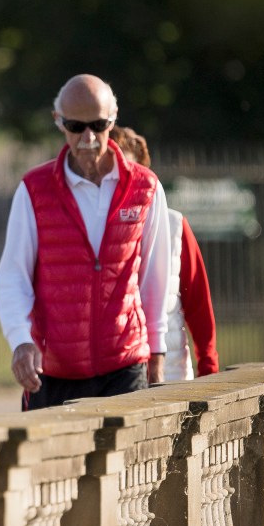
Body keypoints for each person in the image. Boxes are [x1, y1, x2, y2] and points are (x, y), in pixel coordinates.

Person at [0, 74, 172, 410]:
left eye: (98, 124)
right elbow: (13, 276)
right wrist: (20, 341)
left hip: (124, 364)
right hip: (52, 370)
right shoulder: (34, 189)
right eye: (76, 126)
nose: (88, 137)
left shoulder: (145, 188)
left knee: (127, 464)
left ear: (114, 118)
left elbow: (155, 278)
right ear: (58, 122)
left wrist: (157, 353)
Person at [110, 125, 219, 380]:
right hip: (115, 377)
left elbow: (198, 302)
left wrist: (208, 366)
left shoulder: (174, 225)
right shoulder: (93, 227)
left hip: (170, 374)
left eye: (128, 172)